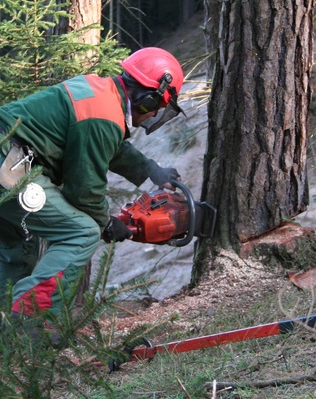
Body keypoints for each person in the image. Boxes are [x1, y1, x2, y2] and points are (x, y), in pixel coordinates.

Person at [0, 47, 185, 323]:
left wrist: (151, 170)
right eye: (154, 110)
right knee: (82, 232)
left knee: (20, 244)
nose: (150, 117)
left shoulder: (101, 92)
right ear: (146, 99)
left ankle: (6, 330)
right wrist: (107, 224)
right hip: (9, 164)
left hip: (10, 154)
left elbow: (108, 144)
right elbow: (84, 192)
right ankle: (30, 323)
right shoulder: (104, 115)